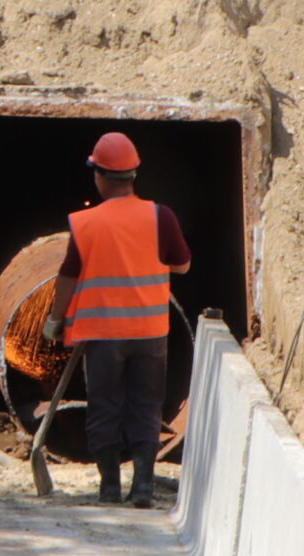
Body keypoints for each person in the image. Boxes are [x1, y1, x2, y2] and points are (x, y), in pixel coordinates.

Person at [41, 132, 191, 507]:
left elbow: (68, 277)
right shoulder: (162, 216)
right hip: (150, 332)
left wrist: (55, 320)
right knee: (146, 406)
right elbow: (183, 264)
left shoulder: (85, 223)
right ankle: (142, 487)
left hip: (104, 334)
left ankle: (109, 487)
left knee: (105, 405)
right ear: (133, 175)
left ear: (100, 176)